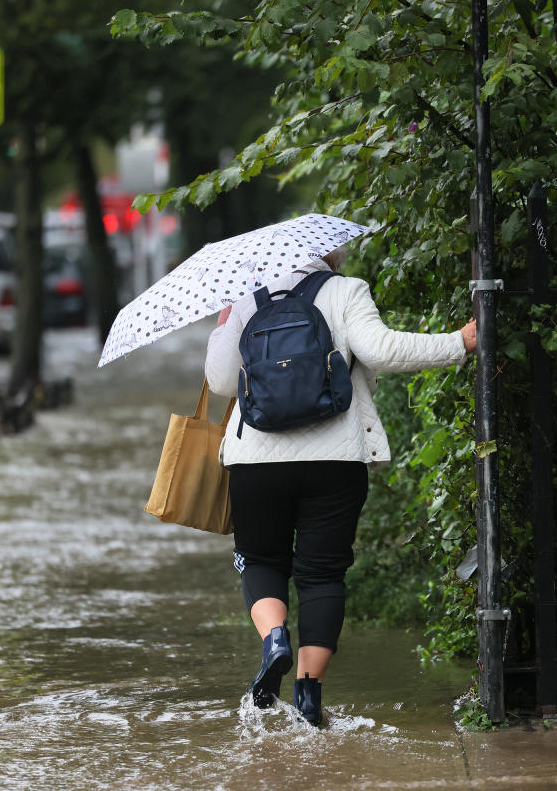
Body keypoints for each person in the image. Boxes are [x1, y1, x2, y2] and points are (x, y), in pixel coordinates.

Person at [204, 244, 476, 726]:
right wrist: (461, 341)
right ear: (333, 255)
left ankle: (275, 640)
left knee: (262, 558)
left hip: (258, 461)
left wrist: (228, 319)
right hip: (336, 457)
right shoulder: (346, 290)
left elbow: (222, 381)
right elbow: (383, 350)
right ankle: (309, 695)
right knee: (323, 575)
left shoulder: (247, 298)